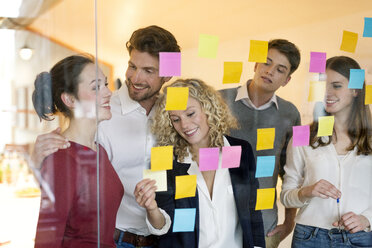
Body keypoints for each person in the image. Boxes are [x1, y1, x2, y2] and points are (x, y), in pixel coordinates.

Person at [31, 25, 181, 248]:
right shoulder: (104, 114)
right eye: (132, 66)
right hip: (116, 239)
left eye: (148, 71)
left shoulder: (175, 115)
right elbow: (62, 190)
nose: (135, 78)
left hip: (162, 237)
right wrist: (36, 164)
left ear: (167, 74)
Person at [135, 78, 265, 248]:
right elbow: (163, 228)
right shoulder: (165, 160)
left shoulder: (239, 150)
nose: (185, 125)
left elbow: (252, 210)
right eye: (175, 119)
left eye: (190, 114)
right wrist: (151, 207)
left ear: (208, 109)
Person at [32, 55, 124, 247]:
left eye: (105, 84)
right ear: (70, 99)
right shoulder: (62, 159)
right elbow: (46, 241)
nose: (108, 93)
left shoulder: (100, 151)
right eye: (96, 87)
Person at [281, 56, 372, 247]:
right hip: (309, 238)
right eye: (324, 86)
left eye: (336, 85)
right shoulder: (302, 135)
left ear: (355, 90)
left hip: (360, 238)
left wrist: (367, 219)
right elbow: (286, 196)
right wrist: (307, 191)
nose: (327, 93)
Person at [219, 39, 301, 247]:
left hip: (264, 224)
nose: (270, 71)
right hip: (219, 218)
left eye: (280, 69)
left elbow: (293, 170)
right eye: (266, 62)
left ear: (286, 80)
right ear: (255, 65)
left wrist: (289, 221)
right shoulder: (218, 100)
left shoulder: (291, 113)